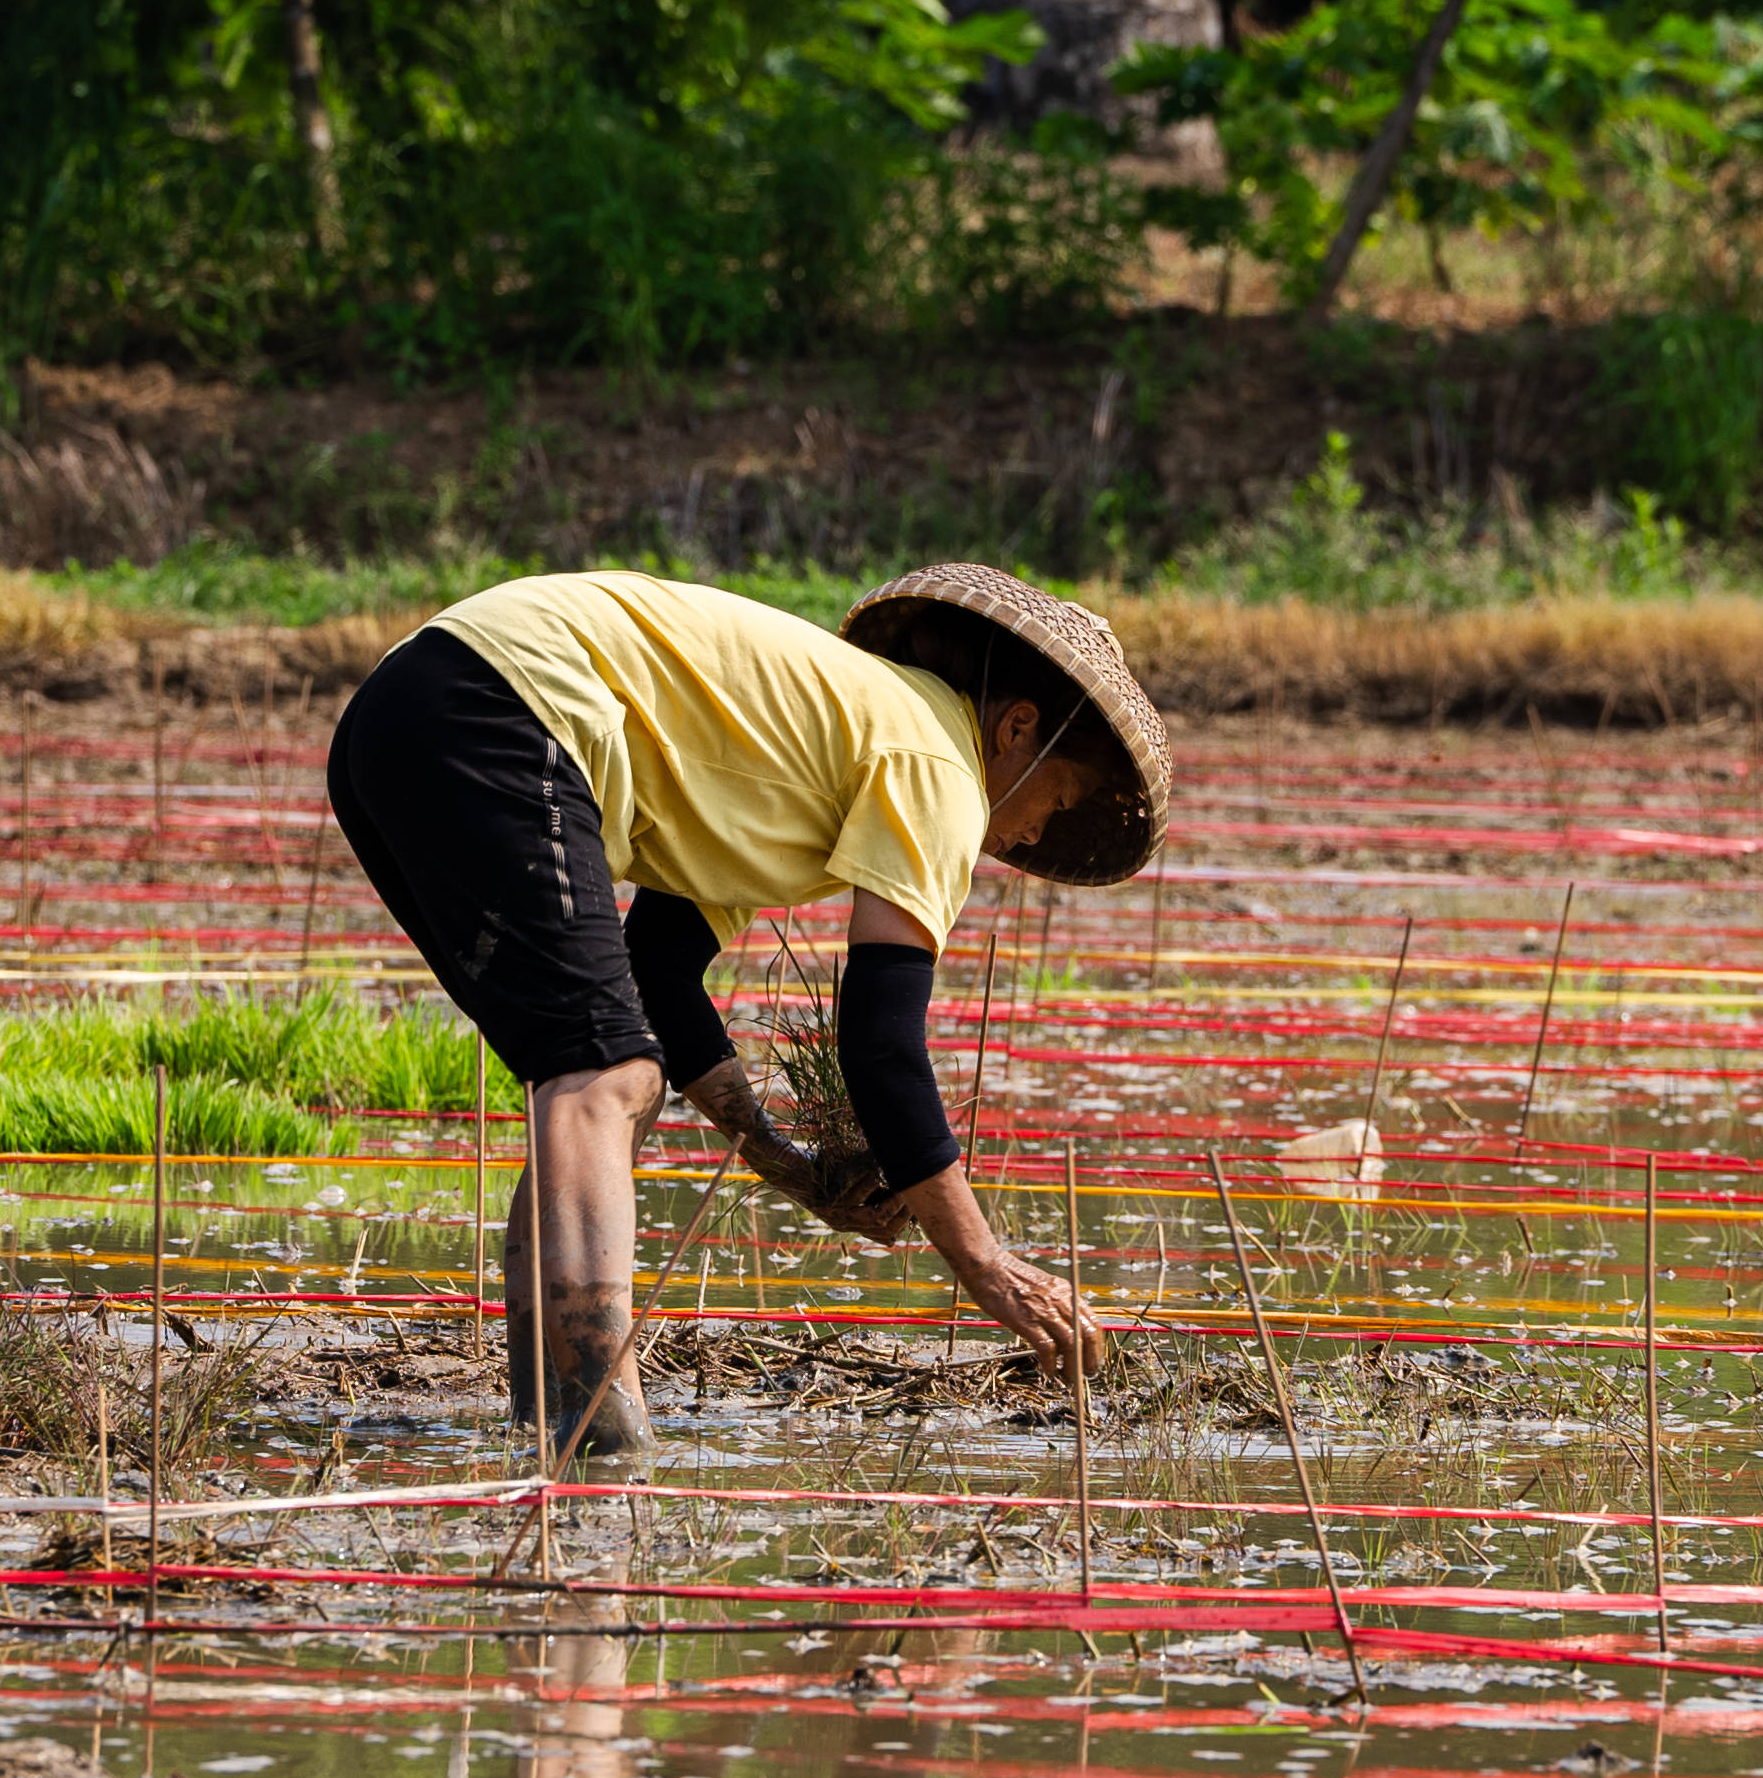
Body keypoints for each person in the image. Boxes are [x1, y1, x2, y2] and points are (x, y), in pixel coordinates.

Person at [324, 561, 1172, 1454]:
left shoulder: (822, 754)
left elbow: (660, 968)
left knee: (596, 1071)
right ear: (1018, 728)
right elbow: (882, 1047)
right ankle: (595, 1436)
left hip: (402, 711)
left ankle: (552, 1427)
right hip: (502, 701)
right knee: (604, 1077)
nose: (1035, 834)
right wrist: (988, 1266)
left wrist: (780, 1157)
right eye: (1058, 799)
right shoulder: (939, 764)